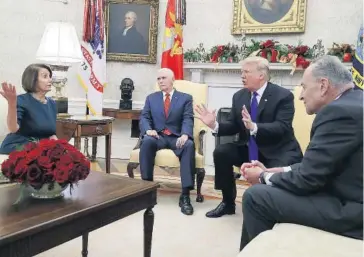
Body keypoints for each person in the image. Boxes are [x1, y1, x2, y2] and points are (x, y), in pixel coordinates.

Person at [240, 55, 363, 250]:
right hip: (348, 192)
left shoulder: (338, 113)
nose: (301, 95)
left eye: (304, 87)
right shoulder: (355, 102)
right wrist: (277, 170)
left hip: (353, 211)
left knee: (256, 197)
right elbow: (318, 166)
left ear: (323, 85)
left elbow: (308, 179)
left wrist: (263, 176)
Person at [195, 56, 302, 218]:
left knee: (280, 181)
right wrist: (214, 125)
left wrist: (255, 127)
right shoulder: (239, 96)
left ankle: (274, 209)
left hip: (277, 150)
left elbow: (282, 127)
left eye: (246, 72)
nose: (242, 76)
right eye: (241, 72)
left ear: (261, 75)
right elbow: (233, 125)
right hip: (250, 149)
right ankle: (228, 202)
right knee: (222, 152)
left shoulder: (283, 96)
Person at [139, 68, 195, 215]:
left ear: (172, 79)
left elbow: (188, 118)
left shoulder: (185, 98)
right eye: (158, 79)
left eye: (163, 78)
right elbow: (144, 117)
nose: (160, 81)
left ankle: (185, 196)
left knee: (189, 145)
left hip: (177, 137)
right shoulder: (151, 98)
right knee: (146, 141)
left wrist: (185, 134)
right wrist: (148, 130)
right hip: (158, 136)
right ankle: (147, 189)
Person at [0, 63, 57, 154]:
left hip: (42, 147)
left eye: (50, 76)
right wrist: (12, 104)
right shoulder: (21, 100)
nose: (50, 80)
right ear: (33, 80)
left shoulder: (52, 103)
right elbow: (13, 128)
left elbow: (51, 132)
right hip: (18, 146)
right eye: (45, 76)